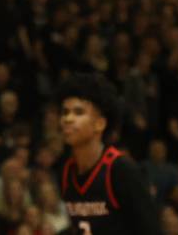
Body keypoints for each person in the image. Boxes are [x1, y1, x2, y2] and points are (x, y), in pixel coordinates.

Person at [58, 72, 160, 235]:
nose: (67, 119)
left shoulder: (121, 170)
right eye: (64, 112)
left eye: (78, 112)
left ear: (99, 124)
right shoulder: (66, 170)